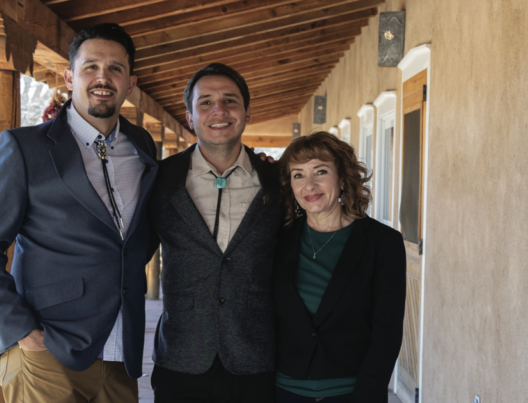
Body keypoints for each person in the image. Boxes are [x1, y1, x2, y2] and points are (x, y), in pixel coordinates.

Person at [0, 23, 158, 403]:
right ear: (69, 77)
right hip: (47, 351)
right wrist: (23, 332)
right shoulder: (23, 147)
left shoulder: (142, 145)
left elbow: (135, 239)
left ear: (131, 83)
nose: (103, 78)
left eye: (115, 68)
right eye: (90, 66)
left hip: (121, 351)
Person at [148, 63, 283, 402]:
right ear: (190, 117)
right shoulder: (159, 179)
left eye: (230, 100)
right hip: (182, 355)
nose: (218, 110)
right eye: (205, 102)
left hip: (256, 357)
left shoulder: (278, 180)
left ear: (247, 113)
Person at [273, 132, 406, 403]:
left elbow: (387, 331)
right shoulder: (277, 240)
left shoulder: (382, 242)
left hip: (351, 392)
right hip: (283, 391)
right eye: (298, 175)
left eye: (320, 171)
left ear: (343, 178)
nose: (309, 185)